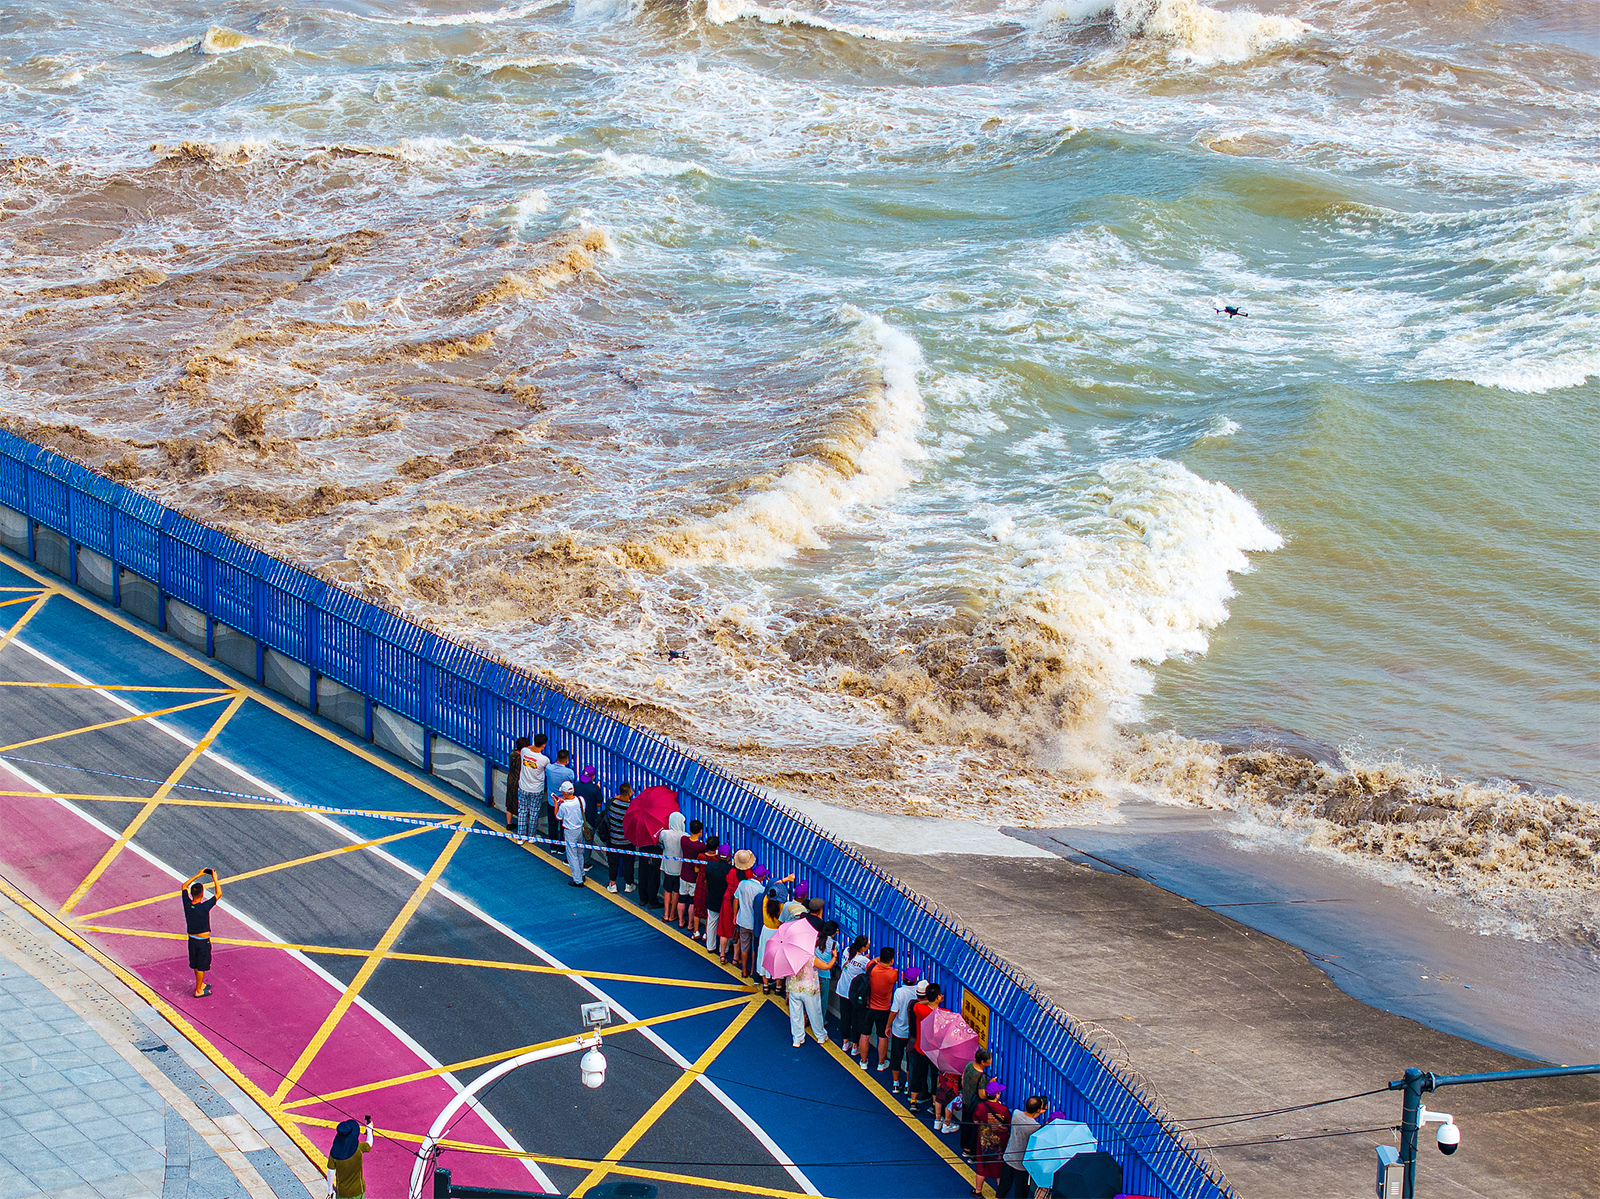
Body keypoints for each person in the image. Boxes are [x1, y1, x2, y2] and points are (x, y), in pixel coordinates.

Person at [788, 925, 836, 1048]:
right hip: (809, 989)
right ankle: (820, 1035)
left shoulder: (790, 956)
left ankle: (797, 1038)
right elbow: (827, 967)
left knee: (795, 1015)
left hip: (794, 988)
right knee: (815, 1013)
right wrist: (834, 956)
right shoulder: (810, 958)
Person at [855, 946, 898, 1072]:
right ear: (891, 960)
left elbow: (874, 960)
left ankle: (863, 1061)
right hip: (884, 1009)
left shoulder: (871, 967)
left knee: (865, 1035)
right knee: (883, 1036)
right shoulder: (893, 974)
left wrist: (880, 958)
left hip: (868, 1007)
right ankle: (881, 1062)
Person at [180, 868, 219, 998]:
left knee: (196, 964)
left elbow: (184, 885)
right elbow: (218, 894)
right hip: (202, 942)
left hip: (192, 940)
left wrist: (197, 875)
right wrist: (215, 879)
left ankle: (200, 984)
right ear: (202, 894)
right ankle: (198, 990)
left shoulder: (187, 904)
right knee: (201, 966)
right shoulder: (204, 907)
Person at [999, 1096, 1045, 1198]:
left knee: (1003, 1186)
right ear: (1038, 1110)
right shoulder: (1035, 1127)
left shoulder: (1016, 1114)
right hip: (1022, 1165)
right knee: (1021, 1192)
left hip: (1009, 1158)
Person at [971, 1080, 1010, 1197]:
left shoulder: (980, 1106)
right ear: (997, 1094)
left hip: (984, 1140)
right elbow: (1008, 1123)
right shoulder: (1003, 1109)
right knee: (999, 1169)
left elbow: (975, 1120)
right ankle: (1000, 1193)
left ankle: (978, 1191)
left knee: (981, 1166)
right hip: (1000, 1142)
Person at [908, 981, 942, 1111]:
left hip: (921, 1049)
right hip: (935, 1052)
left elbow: (917, 1004)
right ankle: (934, 1105)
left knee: (917, 1075)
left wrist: (928, 1001)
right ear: (939, 997)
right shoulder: (942, 1013)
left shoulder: (919, 1009)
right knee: (935, 1078)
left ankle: (913, 1101)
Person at [887, 966, 921, 1096]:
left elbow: (894, 1011)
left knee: (896, 1057)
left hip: (898, 1031)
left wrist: (888, 1025)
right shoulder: (918, 992)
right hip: (912, 1033)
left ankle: (896, 1083)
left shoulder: (900, 992)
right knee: (909, 1059)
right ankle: (908, 1084)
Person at [836, 935, 871, 1054]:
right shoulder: (864, 961)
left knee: (845, 1017)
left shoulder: (847, 951)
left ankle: (845, 1042)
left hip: (842, 989)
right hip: (855, 994)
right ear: (863, 948)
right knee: (856, 1018)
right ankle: (855, 1045)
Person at [731, 852, 764, 977]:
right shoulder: (761, 890)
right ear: (761, 877)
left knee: (744, 947)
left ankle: (744, 970)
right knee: (755, 948)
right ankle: (752, 970)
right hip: (754, 923)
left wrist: (735, 915)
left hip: (742, 920)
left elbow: (736, 900)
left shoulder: (742, 884)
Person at [325, 1115, 372, 1198]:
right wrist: (369, 1129)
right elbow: (369, 1143)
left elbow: (330, 1173)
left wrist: (330, 1190)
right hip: (358, 1191)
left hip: (342, 1193)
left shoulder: (334, 1153)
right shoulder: (359, 1148)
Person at [960, 1048, 992, 1159]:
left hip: (966, 1100)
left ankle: (965, 1148)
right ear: (983, 1062)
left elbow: (963, 1078)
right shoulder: (981, 1076)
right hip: (975, 1106)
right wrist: (990, 1086)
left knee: (966, 1125)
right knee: (974, 1129)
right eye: (989, 1059)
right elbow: (982, 1095)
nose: (991, 1060)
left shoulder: (969, 1065)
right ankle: (973, 1153)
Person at [515, 734, 548, 840]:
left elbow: (527, 748)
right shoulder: (544, 760)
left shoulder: (524, 751)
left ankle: (521, 835)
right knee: (534, 812)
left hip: (523, 786)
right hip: (536, 789)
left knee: (522, 811)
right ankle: (531, 835)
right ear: (543, 745)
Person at [604, 783, 635, 893]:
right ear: (630, 793)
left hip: (613, 838)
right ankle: (628, 884)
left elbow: (608, 803)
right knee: (628, 864)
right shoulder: (631, 807)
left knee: (613, 863)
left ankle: (613, 884)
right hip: (627, 841)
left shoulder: (612, 803)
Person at [702, 841, 732, 954]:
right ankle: (724, 948)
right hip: (725, 901)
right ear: (729, 855)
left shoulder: (710, 866)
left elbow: (706, 881)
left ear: (718, 854)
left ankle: (710, 946)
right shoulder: (730, 870)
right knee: (725, 925)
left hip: (712, 897)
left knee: (711, 922)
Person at [716, 853, 745, 962]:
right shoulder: (748, 874)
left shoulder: (731, 871)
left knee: (724, 929)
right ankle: (735, 958)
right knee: (737, 932)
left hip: (728, 900)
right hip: (740, 903)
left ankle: (722, 955)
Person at [678, 820, 706, 936]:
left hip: (683, 874)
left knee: (682, 899)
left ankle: (680, 921)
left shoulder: (683, 840)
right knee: (692, 902)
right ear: (700, 831)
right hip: (694, 877)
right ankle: (690, 924)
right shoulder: (701, 846)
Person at [574, 765, 605, 866]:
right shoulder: (594, 789)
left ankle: (573, 859)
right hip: (590, 817)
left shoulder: (576, 785)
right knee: (588, 840)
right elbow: (599, 803)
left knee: (575, 839)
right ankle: (586, 863)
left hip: (576, 816)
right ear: (593, 777)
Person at [556, 781, 585, 886]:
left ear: (563, 793)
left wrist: (557, 804)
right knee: (580, 853)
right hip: (580, 828)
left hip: (569, 831)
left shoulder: (564, 806)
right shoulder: (581, 800)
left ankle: (578, 880)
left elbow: (558, 817)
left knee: (572, 856)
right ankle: (582, 873)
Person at [544, 749, 576, 841]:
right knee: (563, 825)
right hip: (564, 802)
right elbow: (572, 782)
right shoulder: (569, 772)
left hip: (552, 801)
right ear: (567, 760)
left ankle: (553, 846)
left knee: (552, 824)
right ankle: (561, 847)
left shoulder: (549, 768)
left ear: (557, 757)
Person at [660, 812, 686, 925]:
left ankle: (665, 914)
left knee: (667, 890)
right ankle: (672, 914)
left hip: (667, 866)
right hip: (679, 868)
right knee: (676, 891)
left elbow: (660, 841)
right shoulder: (685, 836)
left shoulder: (664, 833)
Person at [755, 893, 783, 995]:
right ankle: (778, 986)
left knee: (764, 956)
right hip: (778, 932)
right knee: (779, 958)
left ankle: (765, 985)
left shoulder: (765, 901)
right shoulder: (782, 906)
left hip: (766, 931)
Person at [505, 736, 530, 830]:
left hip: (511, 779)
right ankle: (522, 824)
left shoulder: (513, 753)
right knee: (521, 804)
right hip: (519, 781)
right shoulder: (522, 759)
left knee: (509, 801)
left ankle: (509, 823)